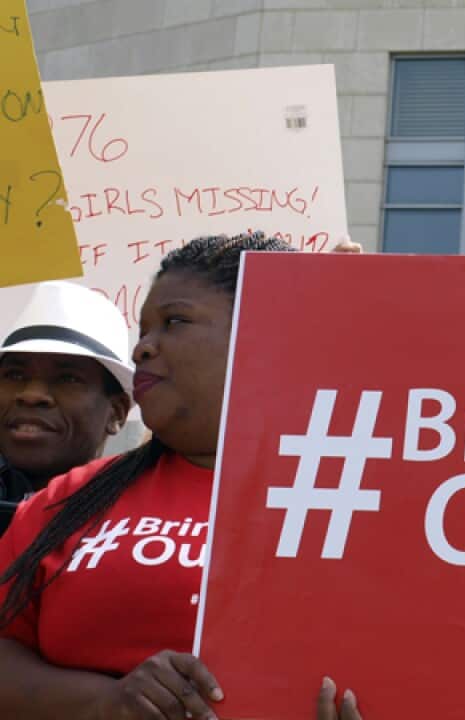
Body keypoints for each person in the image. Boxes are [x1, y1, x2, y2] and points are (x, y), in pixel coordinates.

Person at [0, 233, 363, 720]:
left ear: (266, 333)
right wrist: (108, 701)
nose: (142, 348)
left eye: (174, 322)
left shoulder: (360, 491)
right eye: (144, 329)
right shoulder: (66, 502)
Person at [0, 282, 133, 537]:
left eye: (67, 378)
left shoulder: (135, 528)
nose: (31, 395)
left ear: (117, 412)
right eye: (14, 374)